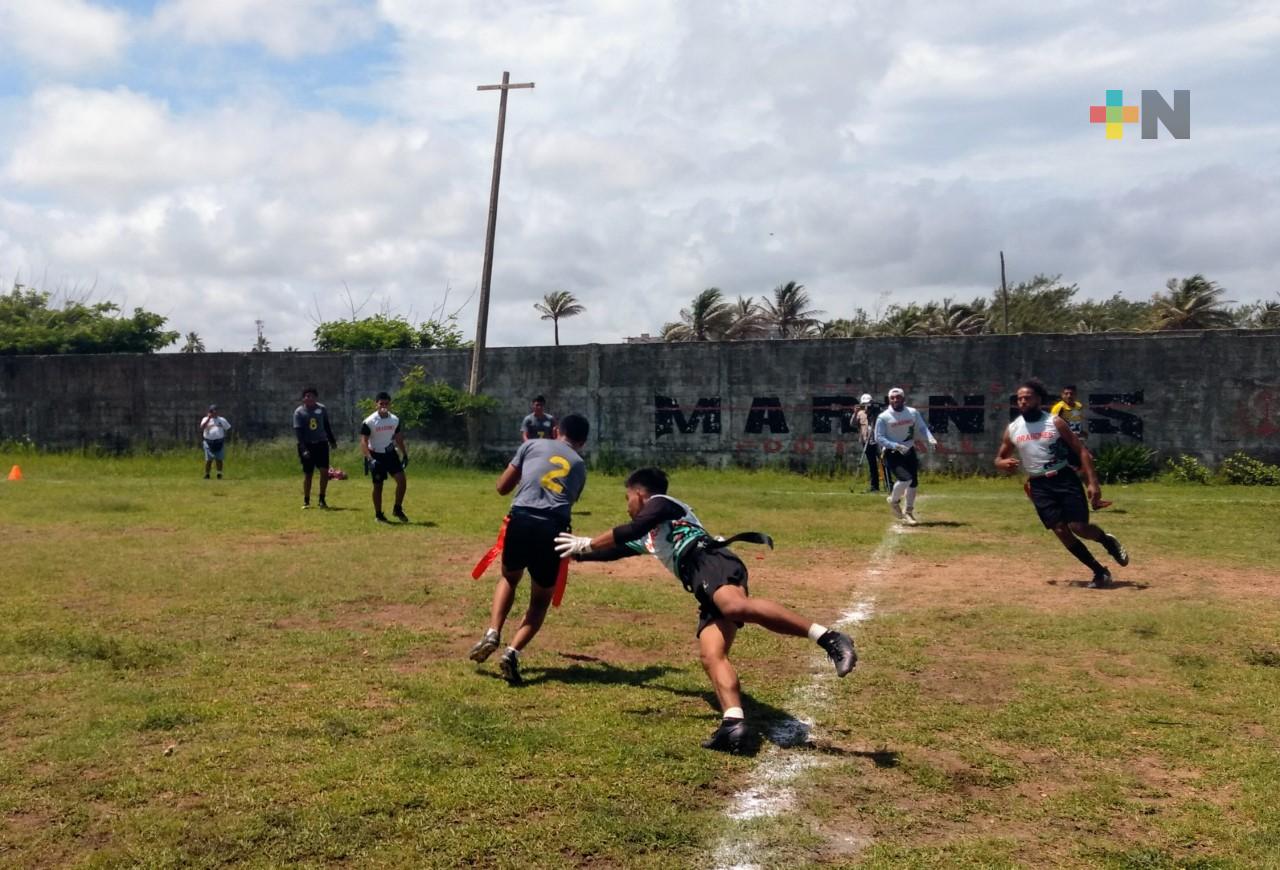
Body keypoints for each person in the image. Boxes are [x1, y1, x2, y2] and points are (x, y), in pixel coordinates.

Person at [553, 467, 857, 754]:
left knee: (734, 605)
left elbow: (633, 526)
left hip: (710, 561)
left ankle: (830, 638)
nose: (627, 505)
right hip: (700, 581)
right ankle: (733, 724)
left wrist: (589, 542)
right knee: (711, 653)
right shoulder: (650, 536)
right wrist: (574, 553)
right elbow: (615, 549)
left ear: (640, 494)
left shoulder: (663, 503)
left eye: (627, 498)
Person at [469, 413, 591, 684]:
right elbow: (570, 499)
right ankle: (512, 652)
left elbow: (502, 487)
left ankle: (492, 631)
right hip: (554, 528)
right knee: (539, 601)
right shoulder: (579, 464)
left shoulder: (531, 445)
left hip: (521, 519)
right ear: (582, 442)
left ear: (556, 430)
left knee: (509, 577)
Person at [995, 378, 1129, 588]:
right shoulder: (1013, 428)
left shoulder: (1054, 422)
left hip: (1063, 478)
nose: (1022, 402)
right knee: (1060, 530)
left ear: (1039, 400)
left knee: (1078, 527)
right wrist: (1003, 463)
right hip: (1038, 485)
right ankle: (1099, 571)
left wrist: (1093, 484)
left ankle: (1106, 541)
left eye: (1027, 398)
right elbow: (999, 457)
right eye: (1019, 399)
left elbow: (1082, 451)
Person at [874, 387, 938, 525]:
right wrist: (895, 445)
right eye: (892, 398)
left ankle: (909, 512)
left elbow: (922, 427)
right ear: (889, 400)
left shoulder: (912, 412)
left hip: (909, 450)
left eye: (898, 397)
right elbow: (878, 437)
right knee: (905, 479)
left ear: (903, 399)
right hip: (892, 452)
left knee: (913, 482)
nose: (895, 400)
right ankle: (894, 500)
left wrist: (930, 438)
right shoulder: (883, 417)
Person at [360, 391, 410, 524]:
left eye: (386, 403)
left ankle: (397, 509)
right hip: (376, 455)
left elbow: (398, 437)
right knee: (378, 486)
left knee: (402, 481)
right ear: (376, 404)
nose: (384, 406)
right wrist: (370, 459)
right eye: (381, 403)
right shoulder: (369, 422)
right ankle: (378, 514)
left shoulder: (394, 419)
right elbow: (364, 441)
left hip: (390, 454)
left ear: (390, 404)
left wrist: (404, 454)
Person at [294, 387, 338, 509]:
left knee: (324, 472)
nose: (309, 398)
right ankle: (306, 500)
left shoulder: (321, 409)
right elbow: (298, 432)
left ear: (316, 398)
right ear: (303, 398)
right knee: (308, 474)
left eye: (312, 396)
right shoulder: (299, 412)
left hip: (321, 444)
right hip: (307, 444)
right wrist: (303, 448)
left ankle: (322, 499)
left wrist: (332, 440)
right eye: (307, 396)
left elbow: (326, 425)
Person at [854, 393, 882, 492]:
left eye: (868, 404)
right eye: (864, 404)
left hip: (878, 441)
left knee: (885, 463)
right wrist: (855, 412)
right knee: (872, 465)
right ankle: (874, 487)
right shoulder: (860, 413)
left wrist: (876, 411)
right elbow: (852, 424)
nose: (867, 406)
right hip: (866, 442)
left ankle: (890, 485)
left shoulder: (877, 412)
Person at [199, 404, 231, 479]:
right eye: (212, 411)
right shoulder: (205, 419)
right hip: (208, 442)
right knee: (209, 459)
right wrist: (208, 419)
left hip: (219, 442)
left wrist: (223, 437)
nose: (214, 413)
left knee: (219, 459)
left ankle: (219, 474)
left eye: (216, 411)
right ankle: (207, 474)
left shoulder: (222, 420)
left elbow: (228, 428)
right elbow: (202, 427)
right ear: (209, 412)